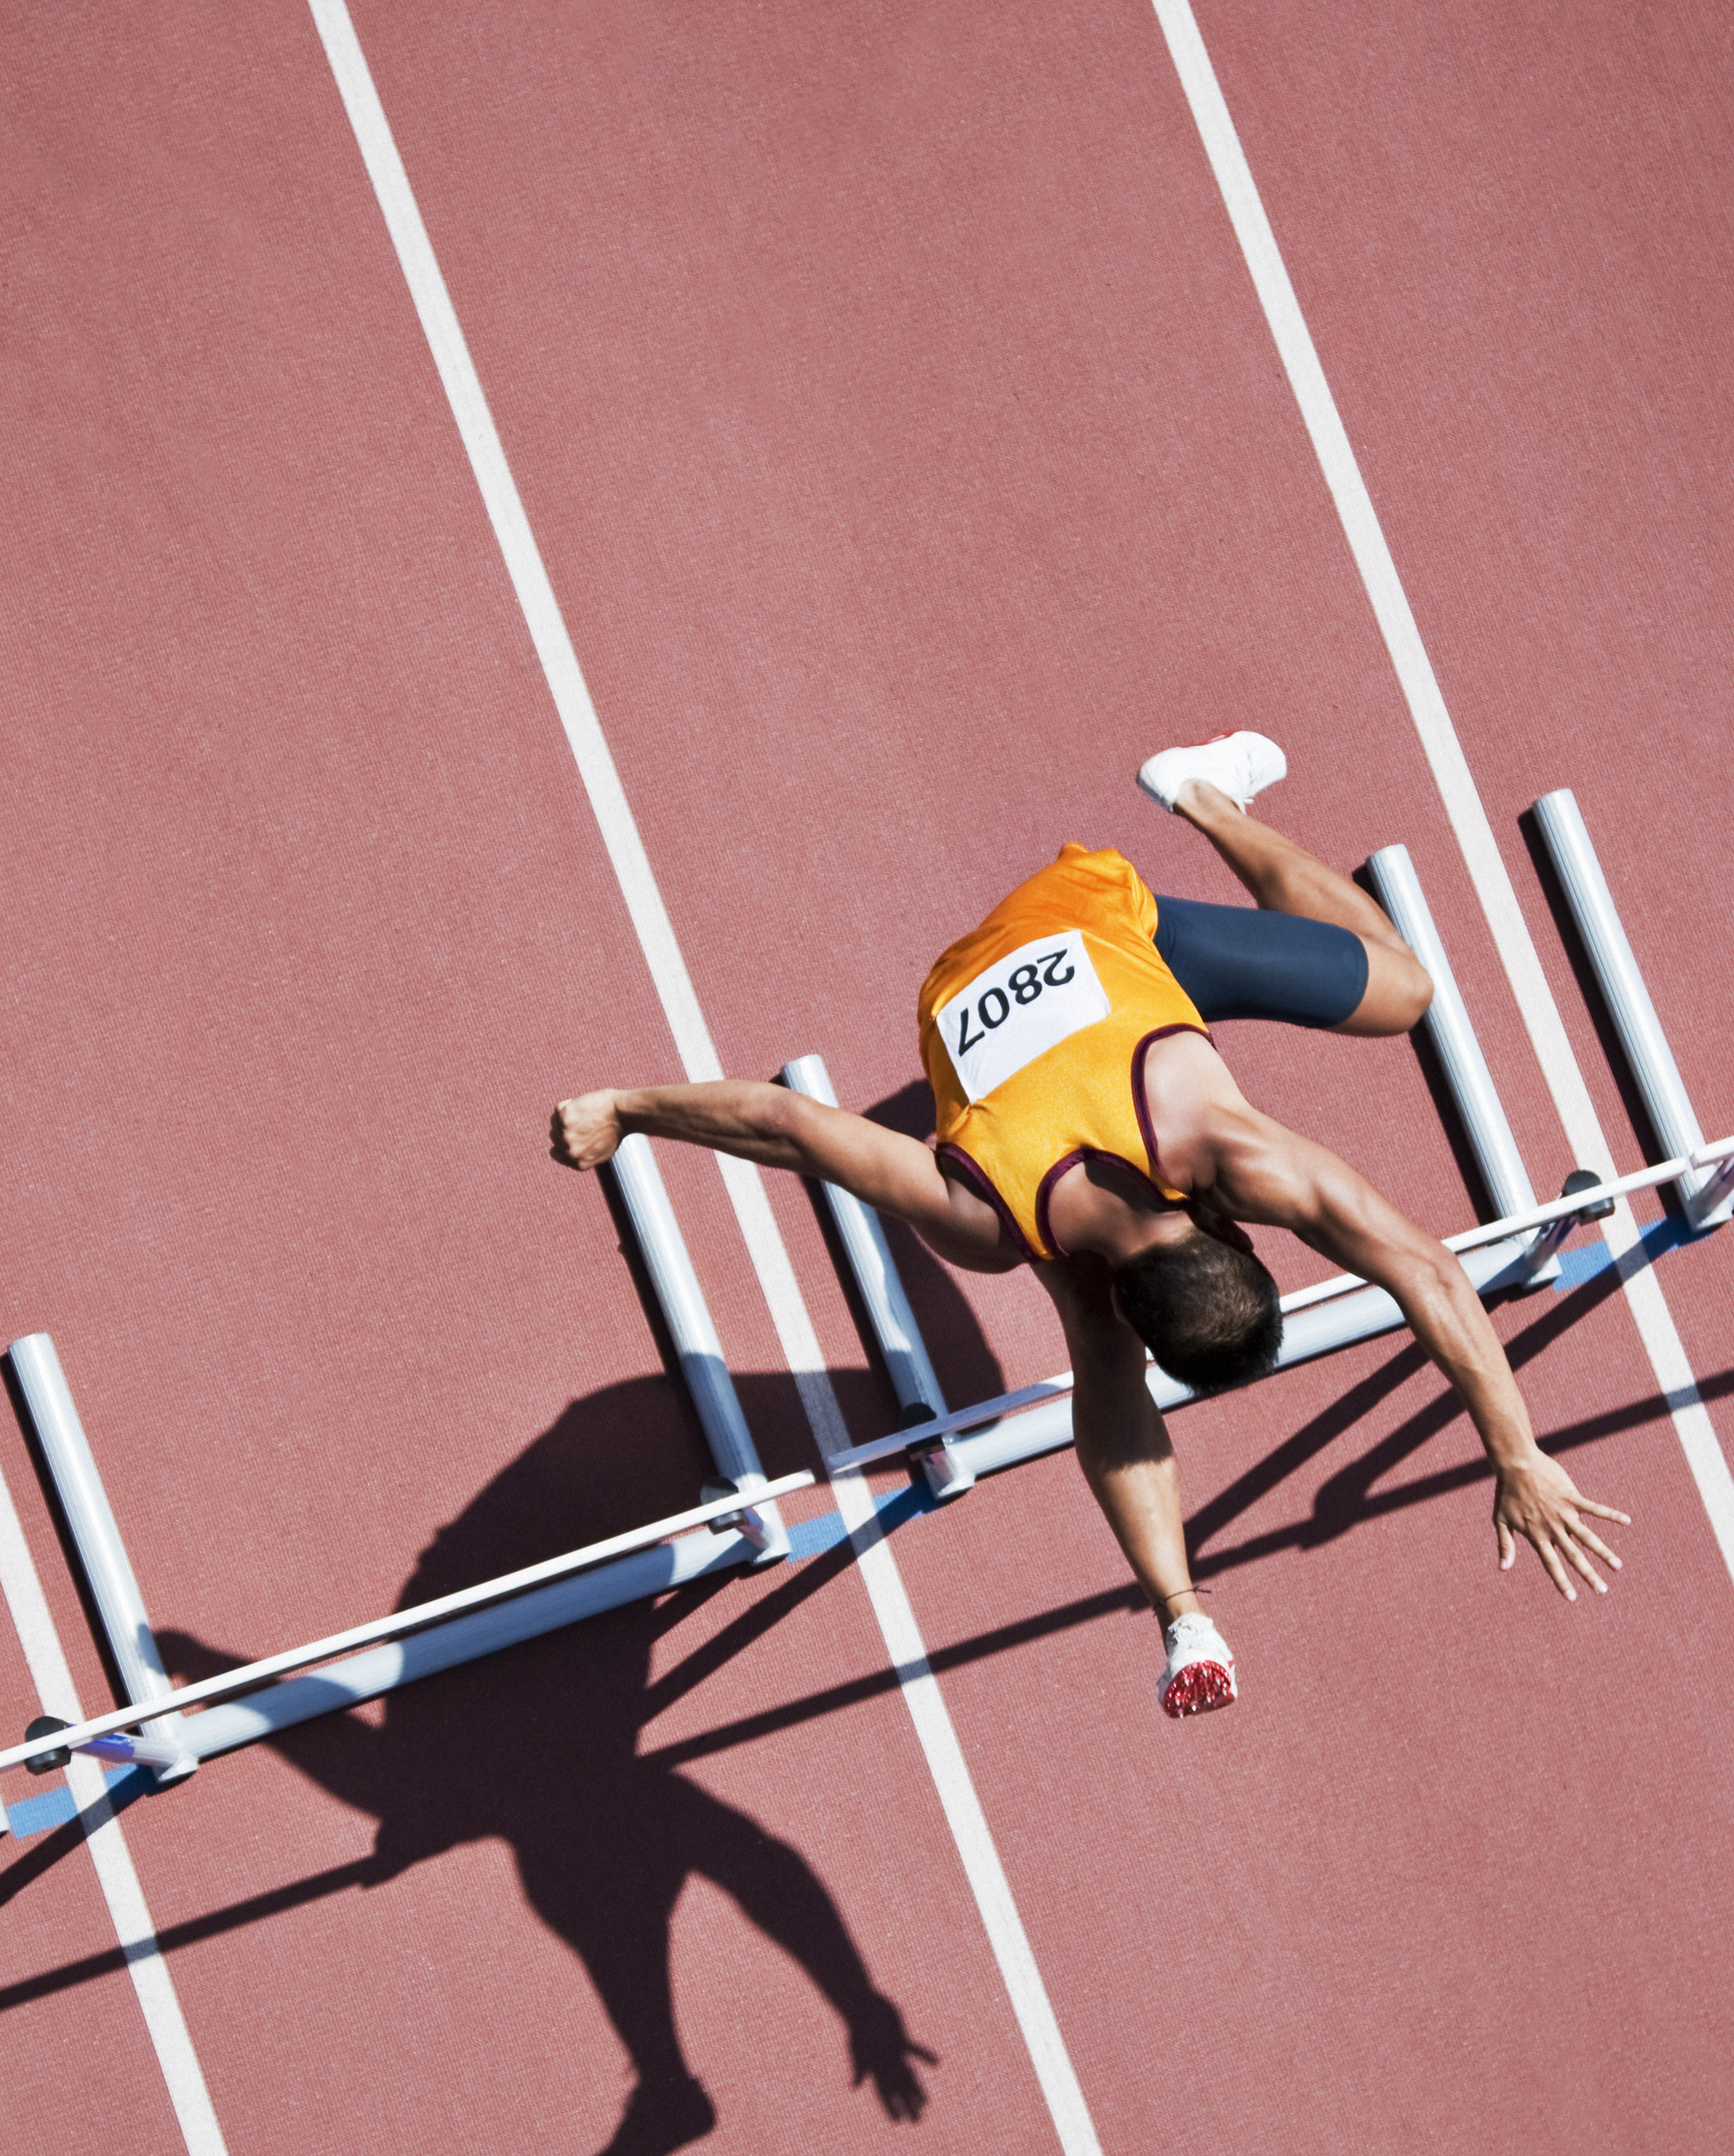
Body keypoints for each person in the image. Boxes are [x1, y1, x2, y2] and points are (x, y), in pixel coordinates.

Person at [549, 731, 1623, 1718]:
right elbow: (789, 1126)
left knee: (1404, 994)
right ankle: (1201, 796)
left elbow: (1425, 1270)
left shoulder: (1231, 1156)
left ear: (1236, 1234)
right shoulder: (990, 1221)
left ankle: (1207, 800)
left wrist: (1520, 1452)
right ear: (1230, 1227)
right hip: (1018, 960)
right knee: (1393, 998)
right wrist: (621, 1114)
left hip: (1089, 943)